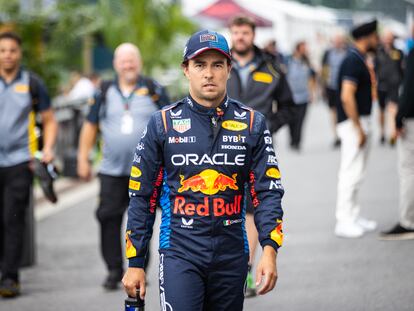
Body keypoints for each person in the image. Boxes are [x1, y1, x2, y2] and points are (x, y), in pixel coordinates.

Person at [122, 30, 285, 311]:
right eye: (200, 65)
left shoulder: (253, 124)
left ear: (229, 69)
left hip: (232, 254)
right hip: (180, 253)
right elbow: (142, 197)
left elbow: (267, 192)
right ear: (186, 70)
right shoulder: (162, 124)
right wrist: (135, 263)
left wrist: (269, 250)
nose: (208, 73)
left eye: (217, 65)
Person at [77, 42, 169, 290]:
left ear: (139, 63)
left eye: (132, 60)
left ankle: (138, 268)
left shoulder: (153, 89)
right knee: (108, 217)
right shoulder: (103, 91)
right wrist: (82, 158)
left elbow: (170, 125)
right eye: (123, 61)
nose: (128, 65)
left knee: (144, 220)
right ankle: (113, 270)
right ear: (116, 64)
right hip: (111, 171)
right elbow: (90, 125)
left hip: (147, 172)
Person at [226, 15, 292, 297]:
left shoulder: (272, 68)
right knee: (226, 206)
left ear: (253, 35)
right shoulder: (219, 64)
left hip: (257, 150)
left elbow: (289, 106)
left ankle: (246, 271)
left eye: (245, 32)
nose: (240, 37)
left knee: (253, 209)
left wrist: (266, 126)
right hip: (221, 149)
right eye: (236, 32)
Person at [0, 32, 58, 297]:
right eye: (2, 50)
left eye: (12, 50)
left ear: (19, 53)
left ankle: (10, 278)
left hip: (20, 163)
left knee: (12, 219)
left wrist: (47, 149)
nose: (7, 55)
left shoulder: (32, 83)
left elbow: (49, 120)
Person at [335, 20, 379, 238]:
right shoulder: (353, 60)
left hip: (359, 121)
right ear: (367, 37)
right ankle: (343, 220)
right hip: (354, 123)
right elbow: (346, 96)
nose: (377, 39)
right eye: (374, 36)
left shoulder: (358, 58)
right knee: (350, 172)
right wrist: (358, 127)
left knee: (357, 172)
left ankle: (353, 214)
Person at [379, 48, 414, 240]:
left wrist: (399, 117)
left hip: (412, 119)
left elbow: (409, 88)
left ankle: (408, 221)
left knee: (408, 169)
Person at [286, 41, 317, 151]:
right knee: (291, 120)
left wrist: (312, 93)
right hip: (290, 97)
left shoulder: (307, 62)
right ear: (298, 49)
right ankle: (292, 139)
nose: (306, 50)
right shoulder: (288, 61)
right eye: (304, 48)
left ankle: (297, 142)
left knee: (300, 120)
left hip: (304, 96)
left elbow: (312, 78)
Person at [375, 30, 404, 145]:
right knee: (381, 110)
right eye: (386, 38)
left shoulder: (398, 52)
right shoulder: (378, 52)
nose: (388, 40)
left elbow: (403, 68)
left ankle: (393, 133)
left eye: (390, 38)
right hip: (381, 85)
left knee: (393, 109)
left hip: (394, 85)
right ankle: (382, 133)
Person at [321, 32, 348, 148]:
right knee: (333, 111)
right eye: (335, 41)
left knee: (344, 110)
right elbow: (324, 69)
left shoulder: (347, 53)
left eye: (339, 40)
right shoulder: (328, 53)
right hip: (331, 86)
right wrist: (323, 85)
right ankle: (336, 135)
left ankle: (344, 134)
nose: (337, 43)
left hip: (343, 86)